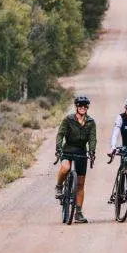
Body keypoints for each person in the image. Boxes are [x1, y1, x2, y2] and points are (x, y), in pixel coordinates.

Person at [55, 95, 97, 224]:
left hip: (81, 152)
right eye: (80, 106)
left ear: (87, 107)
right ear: (76, 107)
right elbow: (60, 134)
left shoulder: (90, 122)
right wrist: (58, 147)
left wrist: (92, 151)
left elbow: (92, 138)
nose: (83, 108)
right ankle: (59, 186)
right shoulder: (68, 119)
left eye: (85, 106)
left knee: (80, 184)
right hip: (67, 150)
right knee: (66, 167)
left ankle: (78, 213)